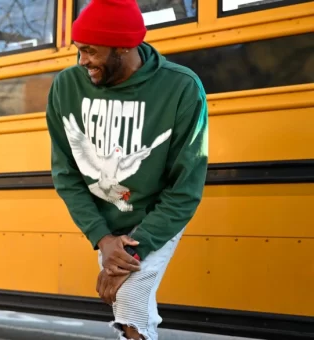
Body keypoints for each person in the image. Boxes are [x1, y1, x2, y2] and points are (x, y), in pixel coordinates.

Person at [45, 0, 208, 339]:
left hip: (157, 215)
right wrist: (103, 240)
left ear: (123, 47)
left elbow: (185, 187)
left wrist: (131, 251)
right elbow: (66, 174)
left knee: (129, 298)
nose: (82, 61)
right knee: (126, 304)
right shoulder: (66, 86)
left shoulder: (181, 87)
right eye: (78, 50)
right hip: (107, 223)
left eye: (90, 51)